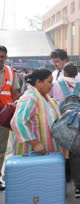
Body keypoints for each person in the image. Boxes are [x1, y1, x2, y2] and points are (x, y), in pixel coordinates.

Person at [50, 63, 80, 198]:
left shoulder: (54, 84)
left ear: (64, 73)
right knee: (76, 155)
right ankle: (79, 188)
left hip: (59, 124)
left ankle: (58, 187)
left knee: (58, 154)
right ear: (76, 73)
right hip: (77, 127)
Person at [10, 69, 67, 157]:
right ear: (39, 82)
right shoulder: (30, 99)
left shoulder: (45, 98)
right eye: (49, 82)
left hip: (43, 152)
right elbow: (17, 122)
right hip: (31, 152)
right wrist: (35, 143)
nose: (52, 85)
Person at [0, 45, 20, 191]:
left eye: (2, 56)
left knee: (1, 149)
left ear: (6, 57)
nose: (0, 58)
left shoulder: (11, 72)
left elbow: (14, 93)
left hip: (3, 116)